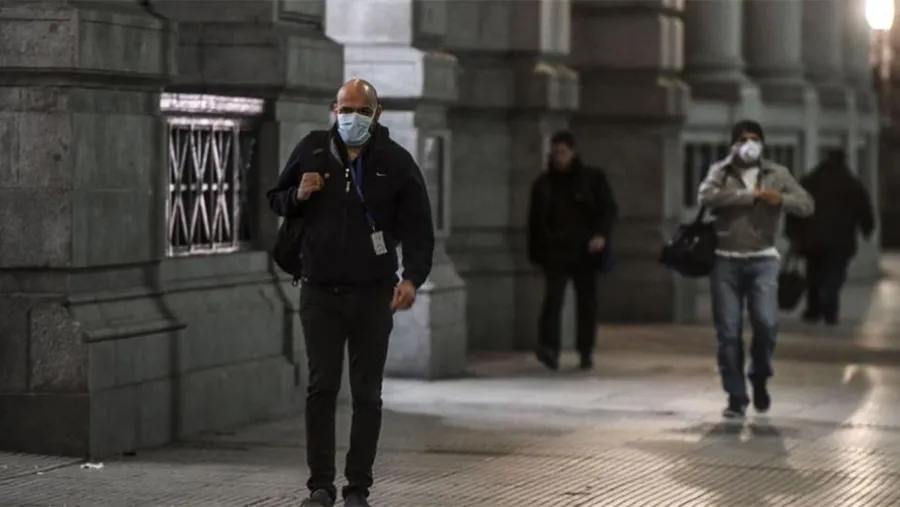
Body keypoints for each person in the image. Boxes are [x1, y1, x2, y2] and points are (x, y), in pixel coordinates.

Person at [267, 79, 435, 507]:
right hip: (319, 291)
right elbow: (275, 199)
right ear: (333, 110)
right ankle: (320, 486)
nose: (352, 118)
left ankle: (357, 487)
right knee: (321, 388)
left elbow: (419, 227)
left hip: (373, 294)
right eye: (345, 109)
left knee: (367, 394)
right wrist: (297, 193)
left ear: (376, 114)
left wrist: (412, 279)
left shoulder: (395, 162)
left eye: (361, 110)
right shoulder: (313, 149)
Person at [698, 119, 814, 419]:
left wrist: (781, 199)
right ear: (733, 144)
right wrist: (748, 196)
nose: (748, 144)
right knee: (728, 332)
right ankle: (735, 396)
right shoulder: (720, 171)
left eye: (754, 139)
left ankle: (759, 375)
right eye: (743, 139)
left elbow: (806, 204)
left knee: (766, 324)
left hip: (763, 260)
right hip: (725, 261)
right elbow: (706, 196)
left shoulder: (776, 173)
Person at [527, 131, 618, 371]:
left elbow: (608, 210)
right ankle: (549, 348)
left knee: (587, 302)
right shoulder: (544, 184)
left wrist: (600, 235)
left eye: (563, 153)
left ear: (573, 152)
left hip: (585, 250)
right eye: (556, 153)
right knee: (553, 300)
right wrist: (536, 253)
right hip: (555, 251)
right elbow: (534, 222)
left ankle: (585, 350)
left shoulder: (592, 179)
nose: (559, 157)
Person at [785, 149, 876, 325]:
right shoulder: (851, 184)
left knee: (814, 273)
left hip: (812, 239)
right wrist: (867, 229)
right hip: (841, 240)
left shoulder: (811, 181)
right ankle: (829, 304)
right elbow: (864, 209)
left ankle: (813, 309)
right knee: (834, 273)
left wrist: (792, 232)